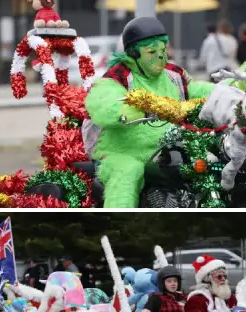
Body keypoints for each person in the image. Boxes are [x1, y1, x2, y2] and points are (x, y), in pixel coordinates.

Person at [83, 16, 216, 208]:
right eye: (152, 51)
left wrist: (231, 89)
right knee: (128, 172)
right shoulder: (119, 76)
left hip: (168, 148)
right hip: (123, 150)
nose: (160, 56)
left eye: (163, 50)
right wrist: (130, 110)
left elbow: (198, 90)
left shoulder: (174, 75)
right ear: (134, 53)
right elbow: (103, 102)